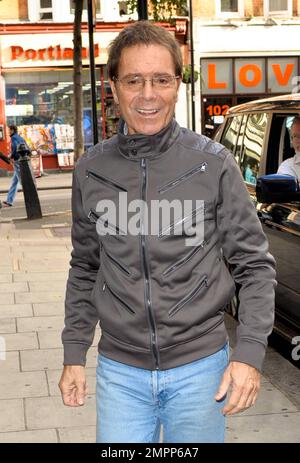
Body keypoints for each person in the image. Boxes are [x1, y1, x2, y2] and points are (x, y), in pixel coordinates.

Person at [59, 21, 276, 443]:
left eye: (161, 79)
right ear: (114, 87)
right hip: (120, 373)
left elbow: (254, 266)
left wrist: (249, 355)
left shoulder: (213, 163)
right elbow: (84, 267)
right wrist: (73, 353)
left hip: (202, 371)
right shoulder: (90, 170)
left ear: (178, 84)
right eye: (134, 80)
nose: (147, 94)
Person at [2, 125, 27, 207]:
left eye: (9, 130)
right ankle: (9, 200)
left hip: (17, 161)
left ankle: (30, 196)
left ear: (12, 130)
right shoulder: (20, 137)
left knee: (22, 180)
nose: (8, 132)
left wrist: (11, 156)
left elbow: (15, 148)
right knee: (14, 182)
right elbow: (26, 147)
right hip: (22, 160)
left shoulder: (13, 138)